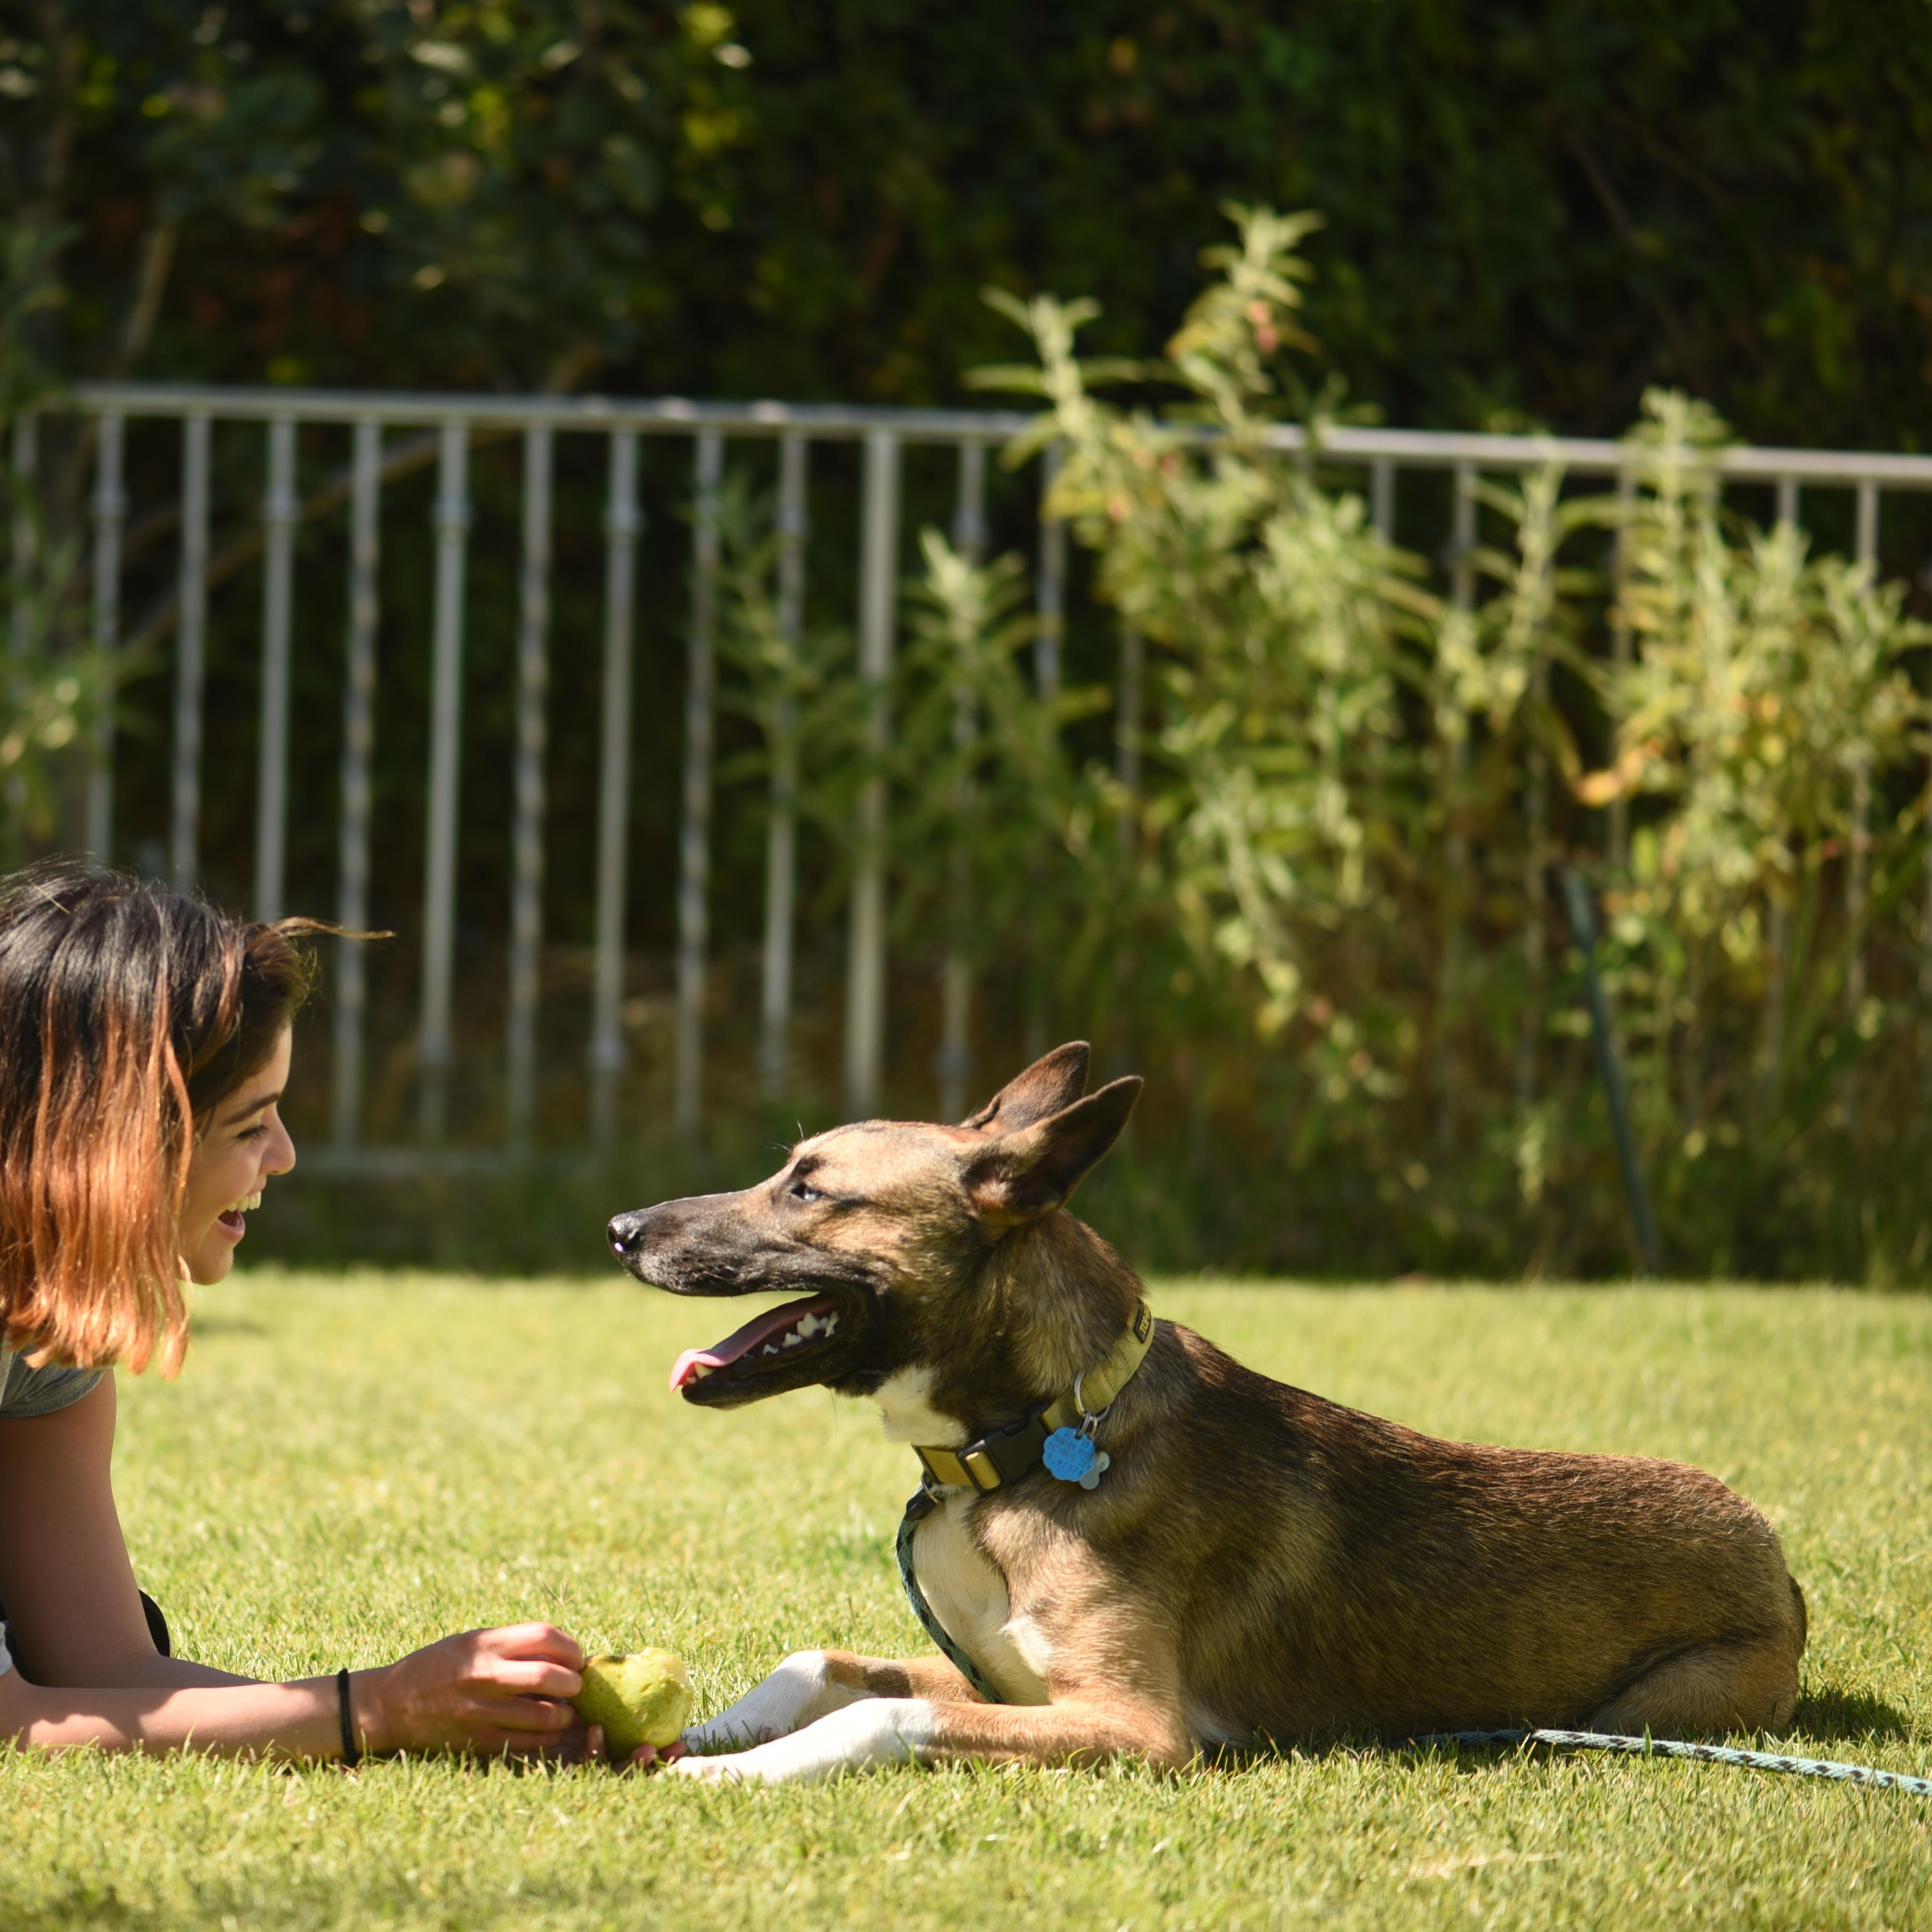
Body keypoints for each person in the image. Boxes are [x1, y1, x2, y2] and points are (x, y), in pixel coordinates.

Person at [0, 864, 589, 1760]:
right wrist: (376, 1709)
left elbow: (103, 1665)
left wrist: (457, 1717)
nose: (284, 1156)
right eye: (250, 1125)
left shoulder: (49, 1339)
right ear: (119, 1142)